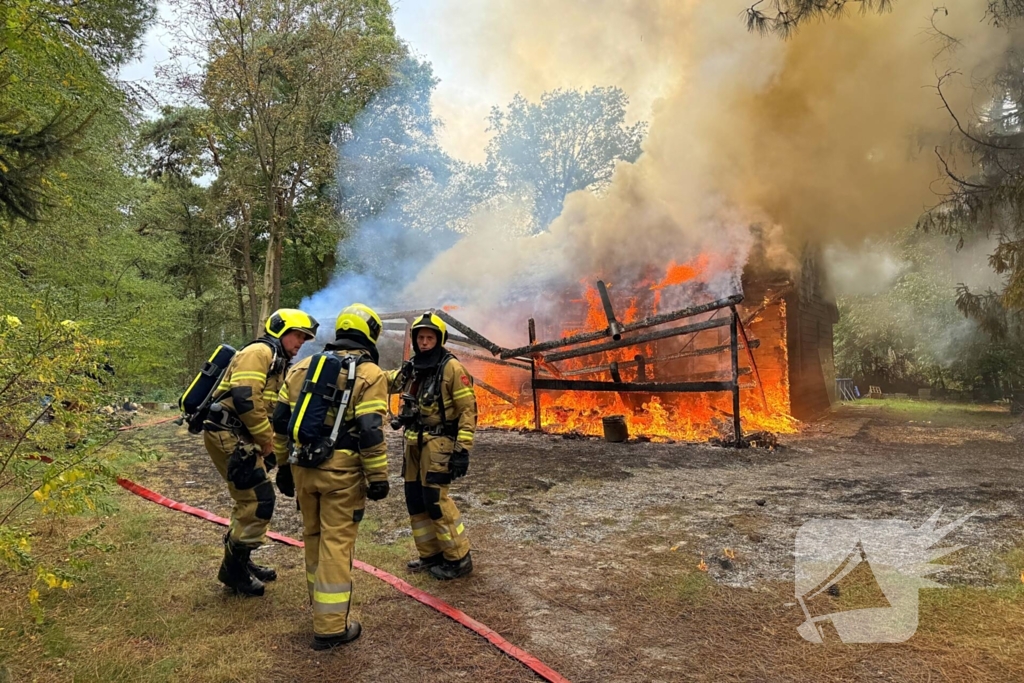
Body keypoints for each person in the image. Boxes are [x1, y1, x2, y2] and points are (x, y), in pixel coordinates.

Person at [271, 303, 390, 650]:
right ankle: (331, 626)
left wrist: (282, 467)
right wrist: (378, 476)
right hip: (343, 473)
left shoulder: (302, 367)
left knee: (313, 536)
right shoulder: (369, 374)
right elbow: (369, 430)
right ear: (370, 334)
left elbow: (281, 422)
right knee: (337, 543)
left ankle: (319, 609)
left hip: (303, 468)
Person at [203, 309, 318, 597]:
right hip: (227, 433)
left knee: (247, 499)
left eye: (305, 339)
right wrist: (266, 440)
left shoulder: (278, 362)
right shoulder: (259, 351)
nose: (300, 342)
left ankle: (242, 562)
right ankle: (233, 571)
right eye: (297, 336)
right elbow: (244, 396)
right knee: (258, 500)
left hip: (241, 437)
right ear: (280, 330)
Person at [388, 311, 475, 580]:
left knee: (435, 501)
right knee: (415, 500)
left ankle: (458, 558)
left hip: (439, 442)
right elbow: (389, 383)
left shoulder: (451, 368)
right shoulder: (413, 366)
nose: (424, 342)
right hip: (413, 441)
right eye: (420, 338)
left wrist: (462, 451)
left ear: (439, 340)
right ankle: (430, 554)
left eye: (429, 338)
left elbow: (467, 411)